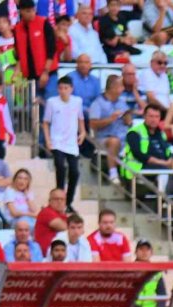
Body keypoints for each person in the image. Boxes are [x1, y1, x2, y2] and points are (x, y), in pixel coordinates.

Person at [43, 76, 85, 211]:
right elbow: (45, 122)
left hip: (71, 142)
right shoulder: (52, 102)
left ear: (71, 89)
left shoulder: (77, 101)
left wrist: (82, 132)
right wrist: (48, 140)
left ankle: (68, 202)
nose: (63, 91)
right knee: (60, 168)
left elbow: (80, 118)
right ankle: (59, 199)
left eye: (66, 88)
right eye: (61, 88)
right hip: (57, 141)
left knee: (75, 172)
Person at [89, 74, 131, 185]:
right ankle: (113, 173)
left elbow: (128, 121)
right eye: (121, 86)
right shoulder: (98, 103)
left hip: (123, 136)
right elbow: (93, 124)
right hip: (103, 138)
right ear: (113, 87)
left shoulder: (121, 102)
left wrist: (127, 118)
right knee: (114, 141)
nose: (123, 88)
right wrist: (110, 119)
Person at [120, 104, 173, 182]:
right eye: (151, 116)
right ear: (144, 116)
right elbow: (138, 154)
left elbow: (168, 152)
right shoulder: (134, 132)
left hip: (160, 167)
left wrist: (171, 160)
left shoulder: (161, 134)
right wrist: (163, 163)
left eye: (157, 116)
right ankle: (162, 194)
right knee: (164, 171)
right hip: (139, 168)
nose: (154, 119)